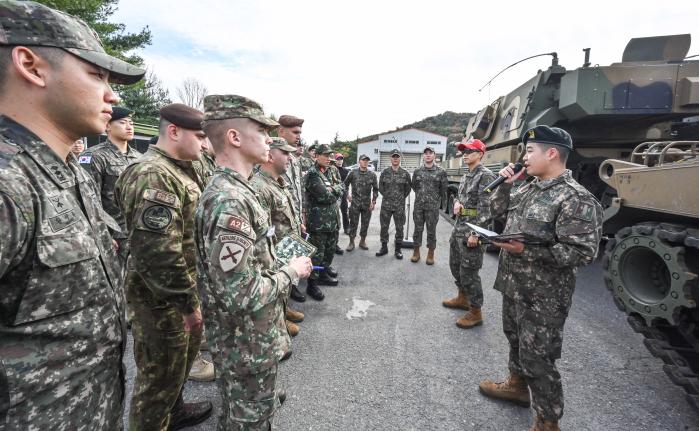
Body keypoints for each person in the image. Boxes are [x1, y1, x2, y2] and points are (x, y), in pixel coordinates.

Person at [0, 1, 145, 428]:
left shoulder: (65, 172)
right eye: (96, 74)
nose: (113, 95)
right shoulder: (9, 182)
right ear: (32, 65)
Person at [195, 94, 312, 429]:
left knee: (243, 413)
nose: (268, 140)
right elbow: (241, 294)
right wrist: (292, 271)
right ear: (234, 137)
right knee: (248, 421)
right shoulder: (230, 201)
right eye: (262, 132)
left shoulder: (239, 191)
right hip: (245, 344)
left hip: (251, 340)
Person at [478, 126, 602, 431]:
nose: (523, 157)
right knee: (515, 340)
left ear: (552, 153)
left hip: (544, 296)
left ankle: (547, 420)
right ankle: (517, 387)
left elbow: (582, 253)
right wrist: (505, 185)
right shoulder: (528, 188)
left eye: (529, 151)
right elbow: (497, 212)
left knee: (539, 359)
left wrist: (526, 251)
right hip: (514, 284)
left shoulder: (576, 198)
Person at [115, 103, 213, 430]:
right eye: (199, 136)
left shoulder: (184, 166)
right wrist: (187, 304)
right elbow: (157, 252)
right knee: (158, 381)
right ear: (173, 131)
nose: (203, 143)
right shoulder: (152, 173)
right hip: (162, 300)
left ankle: (175, 412)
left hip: (184, 290)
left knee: (177, 368)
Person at [250, 137, 306, 339]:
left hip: (285, 248)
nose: (290, 158)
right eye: (286, 153)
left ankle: (283, 312)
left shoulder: (278, 183)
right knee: (275, 288)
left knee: (286, 287)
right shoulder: (259, 186)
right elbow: (262, 231)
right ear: (271, 156)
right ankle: (277, 322)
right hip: (273, 252)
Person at [79, 105, 140, 270]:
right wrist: (103, 233)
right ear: (107, 126)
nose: (129, 127)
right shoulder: (93, 157)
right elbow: (88, 198)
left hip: (139, 234)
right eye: (122, 122)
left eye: (131, 123)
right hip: (114, 236)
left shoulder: (140, 158)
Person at [443, 139, 496, 328]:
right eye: (463, 151)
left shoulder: (486, 176)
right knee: (455, 265)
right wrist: (457, 202)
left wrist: (477, 234)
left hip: (472, 231)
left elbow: (487, 208)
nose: (464, 154)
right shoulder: (467, 176)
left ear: (480, 154)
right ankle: (462, 298)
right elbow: (461, 196)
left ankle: (475, 311)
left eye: (469, 151)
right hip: (459, 227)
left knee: (470, 272)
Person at [304, 144, 345, 300]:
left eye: (331, 156)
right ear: (317, 156)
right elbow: (324, 197)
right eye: (326, 155)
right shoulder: (313, 174)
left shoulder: (332, 170)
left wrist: (334, 190)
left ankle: (323, 273)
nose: (330, 158)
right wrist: (335, 190)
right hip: (319, 223)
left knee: (329, 250)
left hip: (333, 220)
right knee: (317, 255)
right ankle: (312, 285)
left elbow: (342, 186)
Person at [278, 114, 309, 302]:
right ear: (281, 131)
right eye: (295, 132)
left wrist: (301, 217)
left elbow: (299, 191)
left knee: (293, 261)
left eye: (300, 133)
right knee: (279, 266)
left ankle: (287, 305)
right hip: (279, 224)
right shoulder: (270, 156)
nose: (298, 136)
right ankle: (282, 309)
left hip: (294, 220)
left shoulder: (295, 160)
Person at [410, 146, 448, 265]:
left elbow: (443, 190)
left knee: (431, 231)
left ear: (434, 156)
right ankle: (416, 252)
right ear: (423, 156)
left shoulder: (441, 172)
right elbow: (414, 187)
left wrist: (434, 200)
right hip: (419, 207)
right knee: (417, 230)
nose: (427, 155)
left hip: (432, 208)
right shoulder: (417, 171)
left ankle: (431, 253)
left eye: (430, 153)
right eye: (425, 153)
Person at [376, 149, 412, 259]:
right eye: (393, 156)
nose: (395, 158)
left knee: (399, 227)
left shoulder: (405, 174)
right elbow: (381, 188)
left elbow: (408, 189)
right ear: (390, 158)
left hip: (399, 206)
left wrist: (399, 198)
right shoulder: (384, 172)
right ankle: (384, 247)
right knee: (384, 227)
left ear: (400, 158)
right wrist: (388, 196)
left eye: (397, 156)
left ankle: (398, 249)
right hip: (386, 205)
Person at [344, 154, 378, 252]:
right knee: (353, 224)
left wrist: (373, 201)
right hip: (355, 203)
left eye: (367, 160)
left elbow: (375, 189)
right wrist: (347, 195)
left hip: (367, 205)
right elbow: (344, 185)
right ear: (359, 161)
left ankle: (362, 241)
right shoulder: (353, 173)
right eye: (363, 160)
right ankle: (351, 242)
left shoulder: (372, 175)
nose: (365, 162)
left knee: (365, 224)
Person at [335, 153, 351, 234]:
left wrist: (348, 194)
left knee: (345, 212)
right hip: (335, 195)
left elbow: (346, 184)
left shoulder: (346, 171)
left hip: (343, 194)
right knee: (334, 213)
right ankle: (335, 229)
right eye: (338, 159)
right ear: (335, 160)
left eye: (341, 159)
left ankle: (347, 228)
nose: (339, 161)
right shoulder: (332, 169)